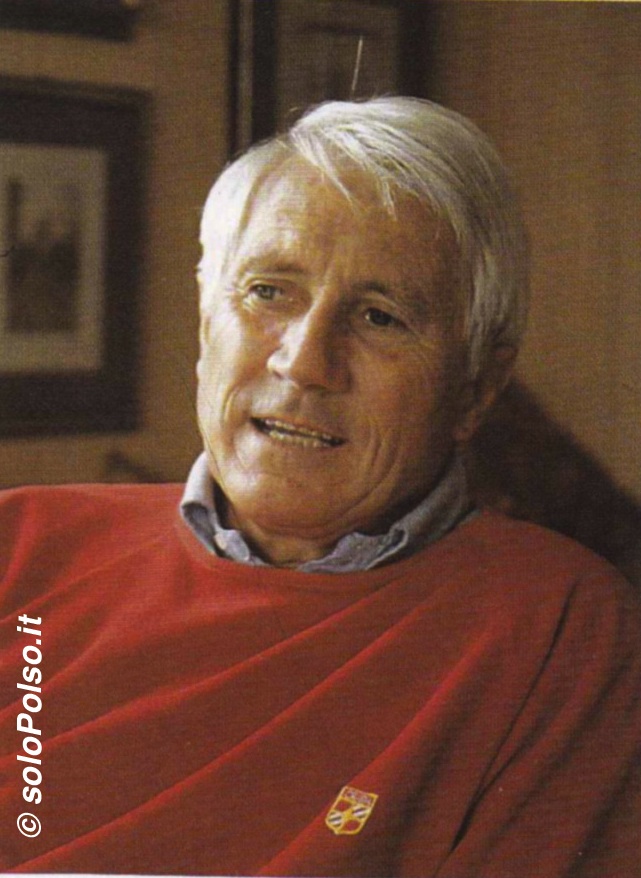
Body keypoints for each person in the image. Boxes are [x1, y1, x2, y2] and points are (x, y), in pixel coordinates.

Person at [1, 97, 640, 877]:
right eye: (269, 292)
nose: (304, 362)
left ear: (475, 386)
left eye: (378, 317)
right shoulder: (18, 543)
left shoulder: (560, 629)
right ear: (205, 325)